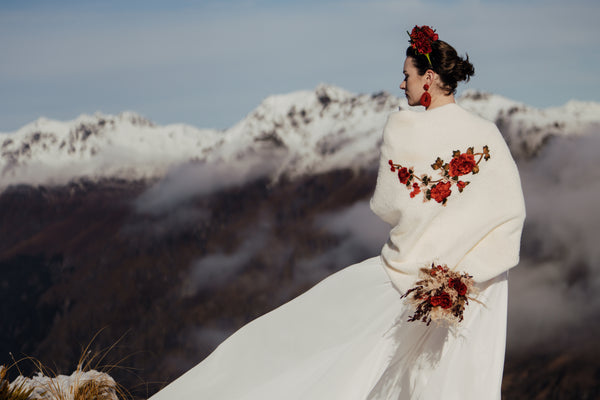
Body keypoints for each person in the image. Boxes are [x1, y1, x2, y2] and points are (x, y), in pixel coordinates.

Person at [149, 26, 525, 400]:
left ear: (428, 77)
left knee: (329, 348)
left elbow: (387, 205)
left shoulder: (405, 126)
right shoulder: (487, 133)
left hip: (409, 275)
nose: (401, 84)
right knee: (455, 376)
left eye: (406, 75)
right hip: (475, 288)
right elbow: (510, 211)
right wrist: (463, 272)